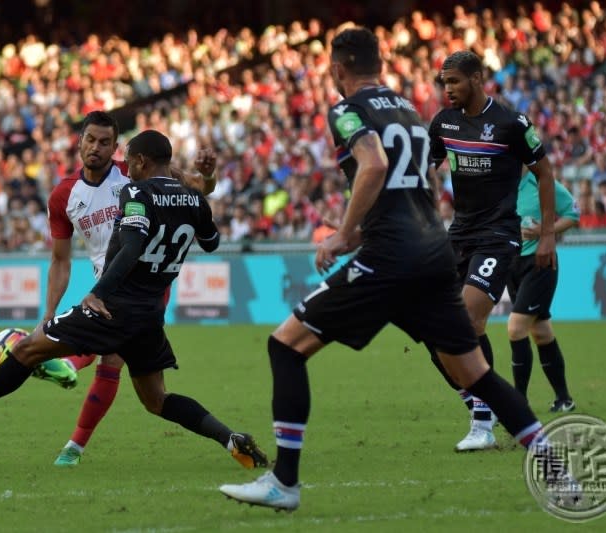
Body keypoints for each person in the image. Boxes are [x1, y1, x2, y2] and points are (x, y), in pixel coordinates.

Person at [219, 27, 548, 511]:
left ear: (338, 68)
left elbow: (372, 165)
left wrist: (345, 234)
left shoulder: (348, 110)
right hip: (433, 250)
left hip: (389, 256)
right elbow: (423, 182)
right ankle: (555, 465)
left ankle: (284, 483)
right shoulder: (410, 110)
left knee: (285, 345)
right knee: (474, 371)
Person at [0, 130, 267, 472]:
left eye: (129, 160)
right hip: (149, 313)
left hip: (115, 307)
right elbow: (212, 242)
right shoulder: (193, 200)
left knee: (26, 350)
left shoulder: (136, 193)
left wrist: (99, 292)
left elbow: (131, 248)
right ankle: (230, 438)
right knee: (156, 400)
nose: (127, 167)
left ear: (141, 161)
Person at [40, 110, 217, 466]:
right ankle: (73, 440)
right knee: (123, 367)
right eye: (90, 140)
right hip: (106, 283)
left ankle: (71, 397)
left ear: (116, 148)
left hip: (146, 282)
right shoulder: (64, 196)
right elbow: (61, 260)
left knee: (113, 354)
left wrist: (208, 176)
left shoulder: (136, 171)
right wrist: (47, 315)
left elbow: (196, 192)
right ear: (79, 143)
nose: (96, 148)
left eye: (105, 143)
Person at [426, 50, 557, 451]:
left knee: (466, 322)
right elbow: (427, 168)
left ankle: (482, 423)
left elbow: (545, 173)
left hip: (498, 236)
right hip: (459, 234)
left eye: (455, 82)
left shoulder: (511, 124)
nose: (448, 89)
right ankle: (481, 407)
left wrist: (548, 234)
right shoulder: (443, 123)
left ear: (478, 78)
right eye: (444, 82)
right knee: (433, 329)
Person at [508, 171, 579, 411]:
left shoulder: (542, 183)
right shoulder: (501, 182)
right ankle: (564, 399)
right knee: (541, 331)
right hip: (512, 264)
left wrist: (544, 231)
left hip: (540, 262)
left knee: (516, 328)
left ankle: (518, 402)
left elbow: (572, 214)